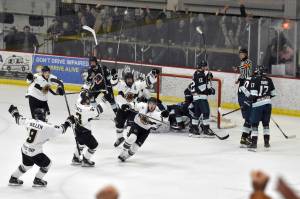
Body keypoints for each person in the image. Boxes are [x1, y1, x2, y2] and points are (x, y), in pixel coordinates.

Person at [8, 105, 75, 187]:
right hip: (35, 153)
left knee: (26, 165)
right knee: (47, 164)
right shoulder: (47, 127)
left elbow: (18, 119)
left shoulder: (29, 121)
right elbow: (61, 129)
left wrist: (14, 112)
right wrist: (68, 122)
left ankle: (13, 178)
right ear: (43, 116)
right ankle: (38, 180)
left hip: (24, 149)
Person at [118, 97, 169, 162]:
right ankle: (123, 152)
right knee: (132, 138)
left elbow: (164, 118)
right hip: (136, 125)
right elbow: (134, 104)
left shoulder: (158, 112)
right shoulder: (143, 105)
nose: (152, 106)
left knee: (135, 148)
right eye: (150, 104)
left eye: (153, 104)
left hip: (145, 131)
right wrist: (127, 105)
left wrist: (166, 115)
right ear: (148, 103)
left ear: (156, 105)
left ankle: (126, 156)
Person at [72, 90, 103, 167]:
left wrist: (87, 91)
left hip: (77, 128)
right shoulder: (87, 109)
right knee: (94, 145)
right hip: (85, 131)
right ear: (85, 99)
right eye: (88, 99)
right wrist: (105, 100)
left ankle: (75, 158)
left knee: (81, 144)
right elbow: (99, 110)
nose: (89, 101)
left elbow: (81, 93)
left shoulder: (78, 103)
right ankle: (86, 160)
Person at [248, 65, 276, 151]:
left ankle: (254, 144)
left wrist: (250, 100)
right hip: (268, 104)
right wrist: (265, 99)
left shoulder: (254, 79)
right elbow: (273, 93)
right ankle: (266, 143)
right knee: (266, 124)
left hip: (258, 106)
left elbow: (253, 95)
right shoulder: (269, 80)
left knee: (255, 124)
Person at [190, 60, 215, 137]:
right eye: (204, 66)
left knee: (197, 113)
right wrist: (210, 91)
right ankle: (206, 129)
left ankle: (194, 128)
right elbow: (202, 88)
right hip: (201, 97)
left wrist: (207, 77)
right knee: (206, 112)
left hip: (196, 97)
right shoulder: (200, 75)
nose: (206, 68)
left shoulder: (197, 73)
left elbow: (200, 83)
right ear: (202, 66)